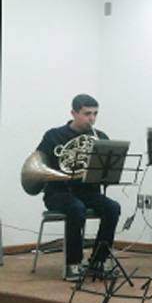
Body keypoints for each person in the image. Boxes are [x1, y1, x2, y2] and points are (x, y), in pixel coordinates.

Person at [35, 94, 121, 280]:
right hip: (58, 191)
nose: (92, 119)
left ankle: (98, 260)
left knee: (113, 207)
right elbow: (39, 162)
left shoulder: (100, 137)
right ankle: (73, 263)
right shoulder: (54, 136)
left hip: (88, 191)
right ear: (73, 112)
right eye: (87, 113)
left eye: (95, 114)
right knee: (76, 208)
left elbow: (107, 171)